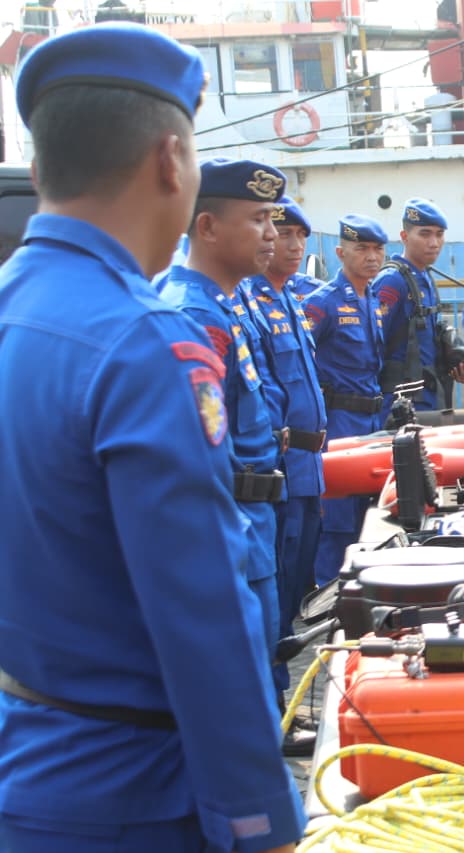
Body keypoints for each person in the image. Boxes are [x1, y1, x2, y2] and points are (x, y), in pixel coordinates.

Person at [0, 22, 301, 853]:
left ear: (42, 170)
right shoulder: (145, 344)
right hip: (133, 796)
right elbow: (202, 606)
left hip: (29, 766)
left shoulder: (13, 309)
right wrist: (263, 820)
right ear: (172, 161)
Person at [158, 157, 288, 687]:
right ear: (208, 227)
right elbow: (193, 453)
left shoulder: (224, 304)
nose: (272, 234)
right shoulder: (196, 317)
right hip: (231, 528)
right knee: (245, 680)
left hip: (253, 520)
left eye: (271, 219)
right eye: (258, 219)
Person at [240, 197, 328, 752]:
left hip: (305, 470)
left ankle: (279, 707)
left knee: (291, 596)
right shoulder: (247, 302)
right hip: (276, 473)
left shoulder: (290, 300)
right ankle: (273, 713)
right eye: (278, 230)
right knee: (270, 600)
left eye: (298, 235)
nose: (288, 244)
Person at [303, 215, 387, 586]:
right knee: (336, 524)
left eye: (378, 249)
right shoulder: (322, 303)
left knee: (367, 520)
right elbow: (301, 363)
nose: (372, 257)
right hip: (338, 422)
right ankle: (326, 601)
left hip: (371, 422)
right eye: (362, 248)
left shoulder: (372, 299)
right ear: (340, 253)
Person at [373, 198, 464, 416]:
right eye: (425, 234)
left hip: (429, 399)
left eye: (439, 234)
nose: (434, 242)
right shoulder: (393, 280)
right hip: (399, 405)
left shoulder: (425, 277)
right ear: (404, 237)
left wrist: (453, 359)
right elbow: (373, 344)